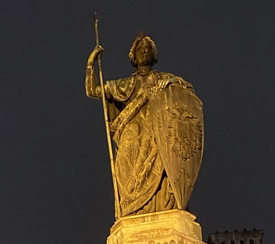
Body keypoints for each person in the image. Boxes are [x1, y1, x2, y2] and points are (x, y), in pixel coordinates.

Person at [85, 33, 203, 215]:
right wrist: (91, 62)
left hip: (157, 131)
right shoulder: (124, 84)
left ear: (153, 54)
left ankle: (163, 207)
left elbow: (188, 92)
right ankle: (132, 209)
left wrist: (172, 82)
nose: (144, 52)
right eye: (140, 49)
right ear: (133, 55)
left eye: (148, 48)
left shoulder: (163, 78)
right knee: (125, 170)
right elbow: (92, 90)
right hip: (132, 133)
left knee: (162, 168)